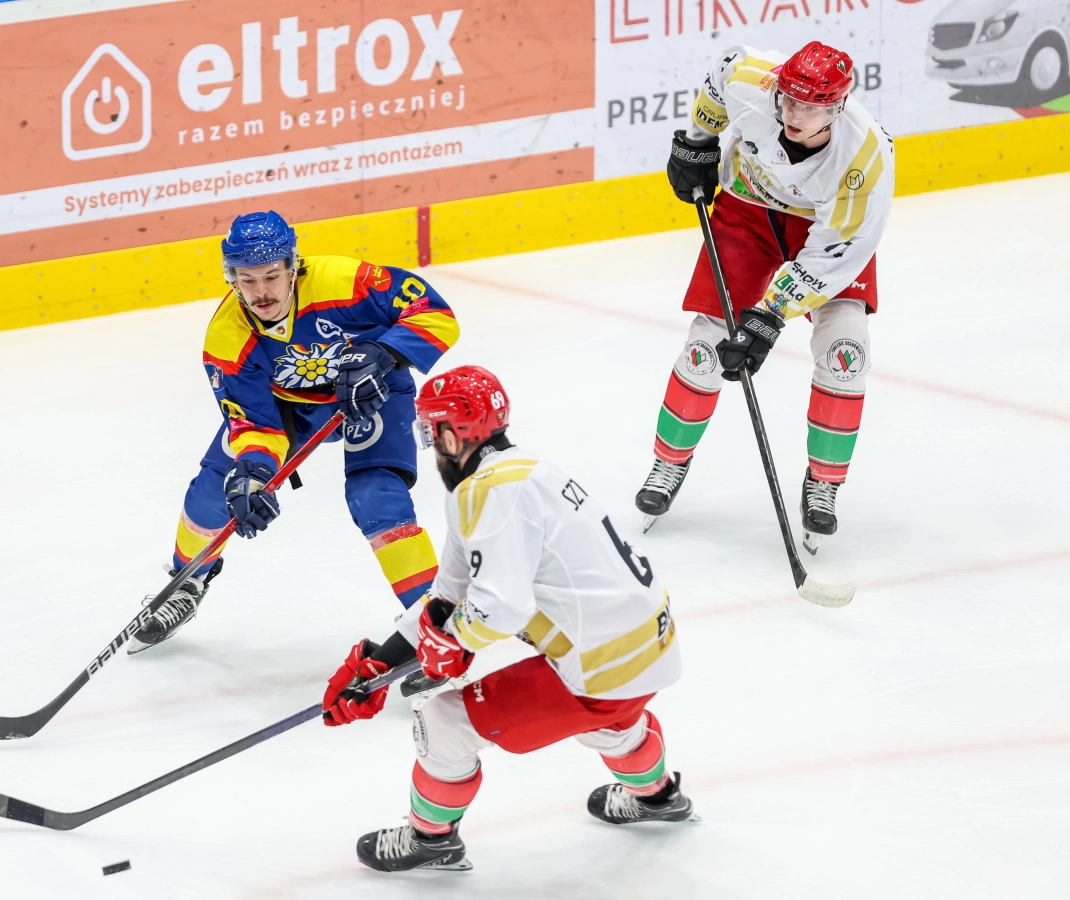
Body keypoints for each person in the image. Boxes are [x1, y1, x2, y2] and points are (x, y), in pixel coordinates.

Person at [320, 365, 693, 872]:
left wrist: (453, 642)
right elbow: (448, 593)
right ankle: (658, 797)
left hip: (603, 668)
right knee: (606, 722)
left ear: (452, 434)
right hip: (647, 648)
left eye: (431, 431)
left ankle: (431, 839)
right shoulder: (517, 473)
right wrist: (380, 662)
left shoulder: (489, 491)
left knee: (444, 721)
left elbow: (501, 607)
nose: (431, 445)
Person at [126, 211, 460, 653]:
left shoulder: (344, 281)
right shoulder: (227, 337)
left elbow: (435, 313)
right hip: (290, 408)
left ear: (292, 267)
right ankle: (186, 582)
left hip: (372, 392)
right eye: (247, 280)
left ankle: (433, 621)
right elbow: (256, 424)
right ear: (232, 279)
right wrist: (253, 475)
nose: (261, 292)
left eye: (271, 276)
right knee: (217, 489)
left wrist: (382, 352)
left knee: (376, 496)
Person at [639, 41, 894, 553]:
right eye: (788, 100)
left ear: (838, 106)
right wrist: (697, 143)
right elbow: (721, 73)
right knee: (706, 345)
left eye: (811, 107)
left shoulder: (865, 158)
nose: (794, 114)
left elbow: (830, 256)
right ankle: (668, 463)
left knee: (846, 349)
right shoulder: (751, 81)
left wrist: (769, 317)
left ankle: (823, 483)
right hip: (748, 210)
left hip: (823, 233)